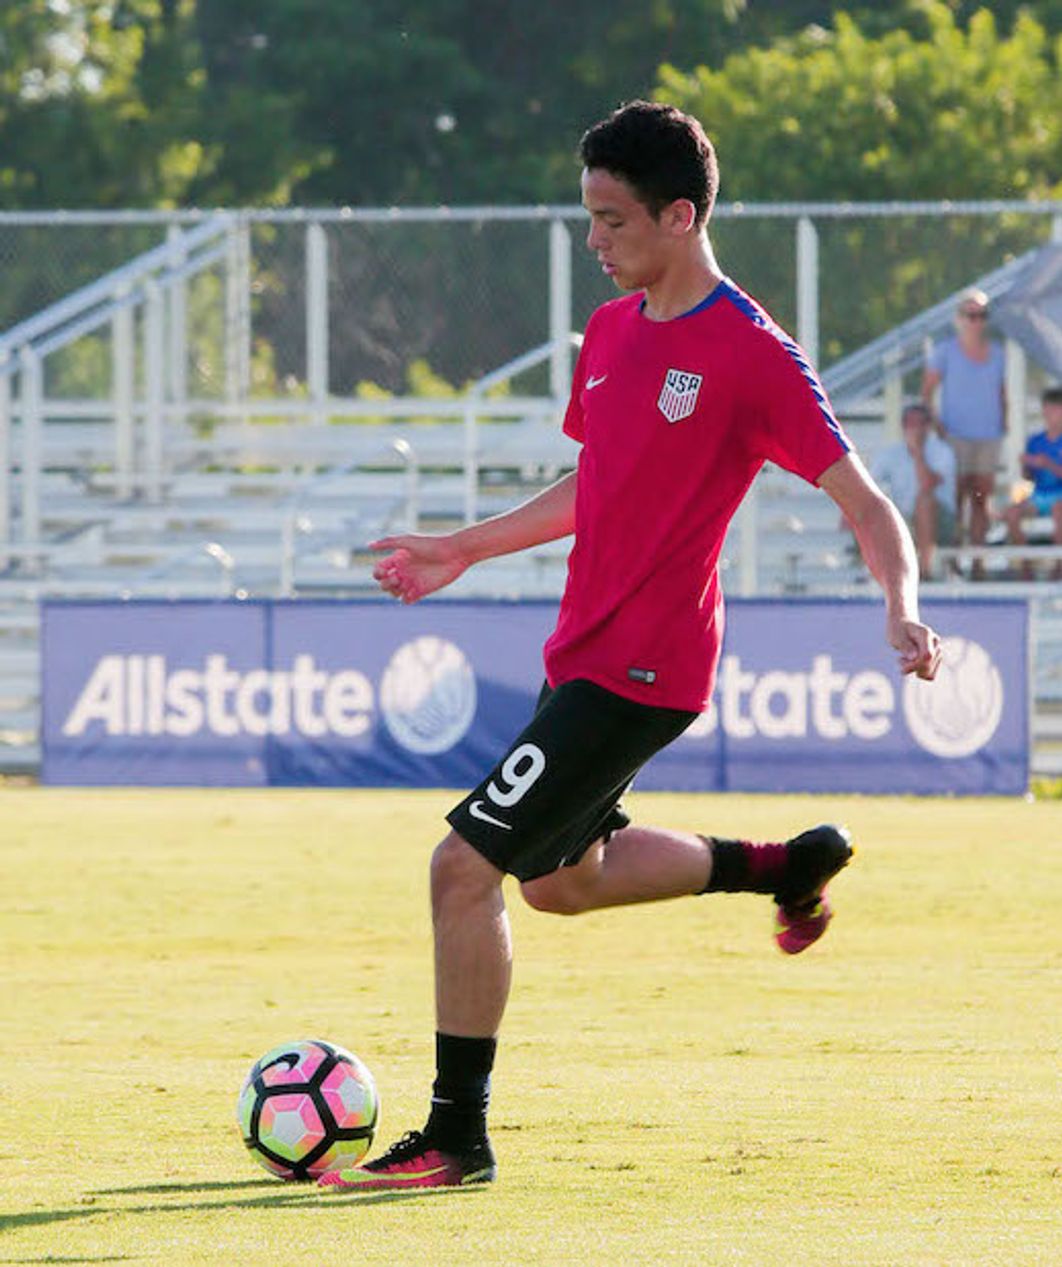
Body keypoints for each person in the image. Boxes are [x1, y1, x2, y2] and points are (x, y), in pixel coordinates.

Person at [319, 100, 941, 1193]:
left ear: (681, 214)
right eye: (589, 218)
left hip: (646, 669)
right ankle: (783, 868)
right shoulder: (610, 335)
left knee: (463, 869)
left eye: (612, 221)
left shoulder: (753, 355)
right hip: (585, 653)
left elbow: (867, 498)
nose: (595, 241)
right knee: (563, 883)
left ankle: (457, 1136)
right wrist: (466, 546)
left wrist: (902, 601)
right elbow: (593, 482)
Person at [921, 288, 1006, 578]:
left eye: (981, 315)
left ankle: (979, 562)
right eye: (971, 315)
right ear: (959, 318)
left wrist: (1002, 426)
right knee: (955, 498)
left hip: (988, 435)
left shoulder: (997, 353)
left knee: (982, 500)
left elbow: (1001, 393)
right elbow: (927, 392)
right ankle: (955, 560)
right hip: (955, 435)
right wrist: (938, 427)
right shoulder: (945, 351)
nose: (976, 321)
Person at [870, 402, 957, 578]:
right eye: (910, 423)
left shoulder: (942, 451)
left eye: (919, 423)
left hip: (941, 522)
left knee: (924, 501)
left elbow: (927, 484)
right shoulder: (890, 453)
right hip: (903, 519)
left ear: (928, 426)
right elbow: (869, 482)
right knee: (872, 506)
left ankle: (924, 571)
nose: (914, 428)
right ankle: (879, 575)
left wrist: (917, 452)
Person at [1001, 386, 1062, 580]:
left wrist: (1048, 464)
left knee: (1059, 511)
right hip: (1039, 496)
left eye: (1055, 408)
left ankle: (1059, 566)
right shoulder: (1035, 441)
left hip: (1059, 497)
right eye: (1048, 408)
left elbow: (1051, 469)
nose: (1050, 414)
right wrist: (1027, 468)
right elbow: (1028, 480)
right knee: (1012, 513)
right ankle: (1025, 566)